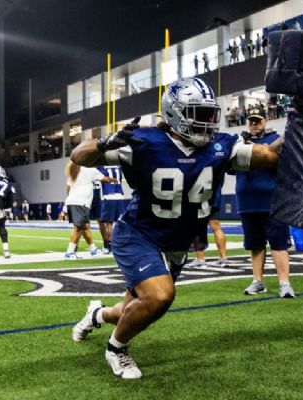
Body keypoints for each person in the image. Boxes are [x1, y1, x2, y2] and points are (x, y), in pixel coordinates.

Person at [69, 77, 282, 379]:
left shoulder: (222, 146)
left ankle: (96, 314)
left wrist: (298, 131)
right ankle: (116, 349)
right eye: (199, 114)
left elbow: (271, 157)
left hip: (176, 243)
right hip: (139, 234)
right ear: (175, 113)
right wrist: (105, 142)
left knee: (130, 309)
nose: (207, 123)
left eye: (210, 114)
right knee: (159, 296)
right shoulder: (144, 141)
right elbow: (79, 156)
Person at [235, 110, 294, 298]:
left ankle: (284, 283)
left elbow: (287, 164)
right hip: (247, 202)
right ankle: (258, 281)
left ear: (265, 121)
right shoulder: (238, 141)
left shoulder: (276, 139)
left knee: (279, 245)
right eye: (251, 121)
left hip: (272, 201)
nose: (254, 124)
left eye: (257, 121)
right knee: (255, 246)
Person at [63, 160, 117, 260]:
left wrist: (67, 201)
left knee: (85, 227)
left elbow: (68, 188)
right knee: (78, 228)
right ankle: (69, 252)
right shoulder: (90, 170)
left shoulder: (74, 170)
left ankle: (93, 250)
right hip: (81, 202)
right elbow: (105, 179)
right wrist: (115, 179)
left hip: (72, 201)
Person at [186, 186, 229, 267]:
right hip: (214, 197)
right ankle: (223, 258)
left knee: (197, 227)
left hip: (200, 196)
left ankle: (200, 259)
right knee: (217, 227)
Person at [97, 165, 125, 254]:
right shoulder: (119, 167)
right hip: (120, 196)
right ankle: (121, 245)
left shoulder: (102, 168)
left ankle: (109, 247)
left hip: (109, 196)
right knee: (120, 223)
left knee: (109, 224)